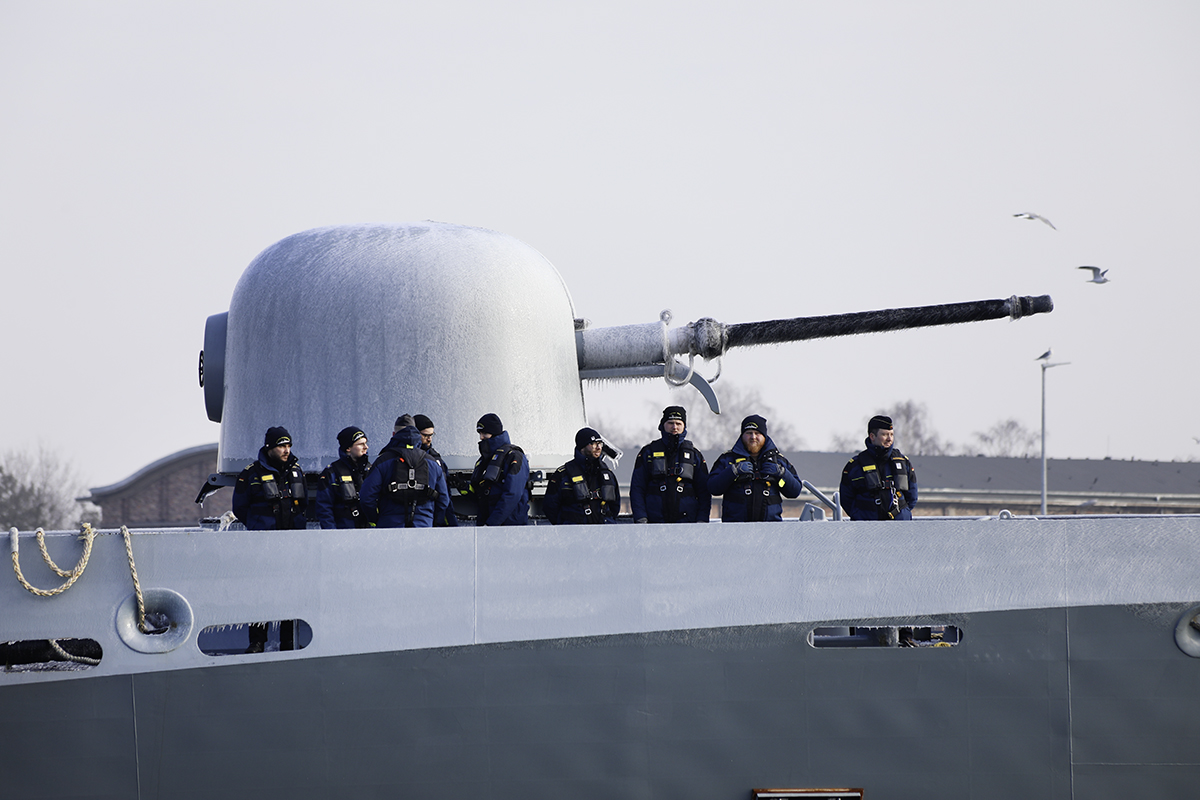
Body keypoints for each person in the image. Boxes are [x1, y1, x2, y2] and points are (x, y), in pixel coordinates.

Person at [358, 415, 450, 528]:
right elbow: (443, 500)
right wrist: (431, 519)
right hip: (424, 526)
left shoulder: (383, 461)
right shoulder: (432, 463)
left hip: (389, 526)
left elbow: (366, 498)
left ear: (394, 435)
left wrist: (376, 519)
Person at [707, 415, 802, 522]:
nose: (753, 437)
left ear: (764, 436)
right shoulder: (728, 459)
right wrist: (733, 471)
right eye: (749, 433)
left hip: (770, 528)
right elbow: (713, 488)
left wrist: (781, 473)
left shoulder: (778, 461)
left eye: (757, 433)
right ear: (742, 435)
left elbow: (795, 491)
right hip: (735, 527)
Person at [629, 406, 711, 524]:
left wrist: (702, 519)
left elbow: (704, 492)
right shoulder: (648, 453)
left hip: (688, 524)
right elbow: (637, 488)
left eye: (678, 423)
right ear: (663, 425)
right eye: (670, 423)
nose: (674, 427)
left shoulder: (694, 455)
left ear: (684, 426)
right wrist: (641, 518)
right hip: (653, 523)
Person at [839, 414, 918, 520]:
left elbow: (912, 497)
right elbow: (846, 499)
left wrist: (902, 512)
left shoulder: (904, 463)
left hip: (899, 525)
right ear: (872, 436)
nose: (889, 439)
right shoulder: (854, 466)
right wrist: (861, 514)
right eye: (884, 435)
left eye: (891, 434)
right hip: (866, 526)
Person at [232, 426, 309, 531]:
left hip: (294, 535)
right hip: (262, 536)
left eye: (289, 446)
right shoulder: (250, 474)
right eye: (281, 446)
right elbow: (239, 508)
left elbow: (304, 503)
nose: (287, 451)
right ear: (269, 447)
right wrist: (257, 524)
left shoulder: (297, 471)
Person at [544, 427, 621, 524]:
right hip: (574, 530)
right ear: (582, 447)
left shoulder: (608, 474)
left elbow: (615, 506)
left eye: (600, 443)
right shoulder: (563, 474)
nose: (598, 447)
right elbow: (550, 507)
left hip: (605, 530)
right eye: (593, 444)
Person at [467, 413, 529, 525]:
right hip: (487, 524)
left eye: (484, 433)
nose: (481, 437)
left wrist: (491, 524)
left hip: (510, 525)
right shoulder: (484, 460)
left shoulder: (514, 456)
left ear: (494, 433)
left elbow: (512, 494)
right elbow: (481, 494)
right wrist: (464, 487)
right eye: (480, 433)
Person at [313, 426, 371, 529]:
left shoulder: (371, 470)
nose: (366, 447)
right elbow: (324, 508)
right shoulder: (332, 473)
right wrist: (333, 534)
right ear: (348, 448)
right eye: (361, 444)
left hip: (369, 533)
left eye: (365, 443)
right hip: (343, 533)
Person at [414, 413, 458, 527]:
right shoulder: (400, 457)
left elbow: (445, 494)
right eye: (425, 435)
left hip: (433, 518)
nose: (429, 439)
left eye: (431, 435)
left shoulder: (436, 458)